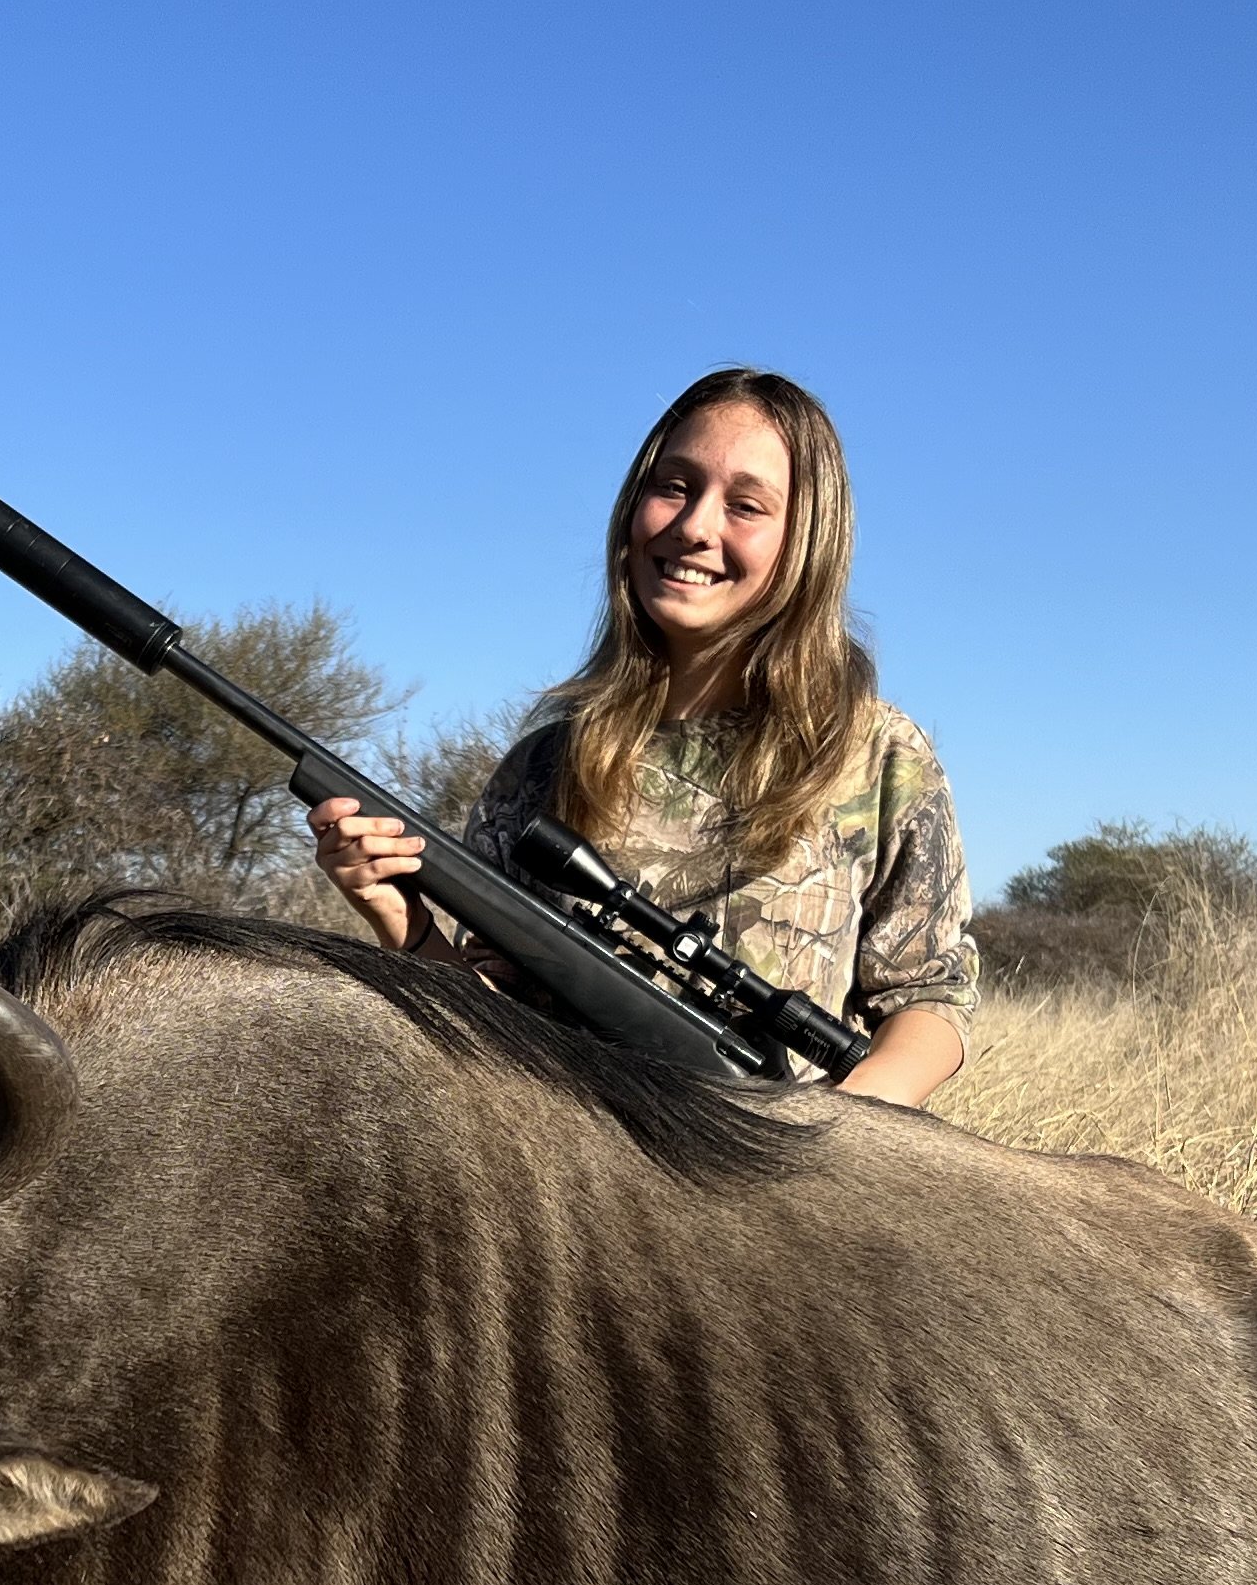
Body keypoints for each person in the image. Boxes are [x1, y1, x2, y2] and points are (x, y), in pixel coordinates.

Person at [312, 367, 976, 1105]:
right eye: (675, 487)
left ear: (805, 545)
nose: (695, 527)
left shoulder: (875, 754)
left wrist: (840, 1131)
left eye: (746, 505)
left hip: (792, 1186)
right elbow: (487, 1033)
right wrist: (398, 916)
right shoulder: (543, 766)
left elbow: (930, 996)